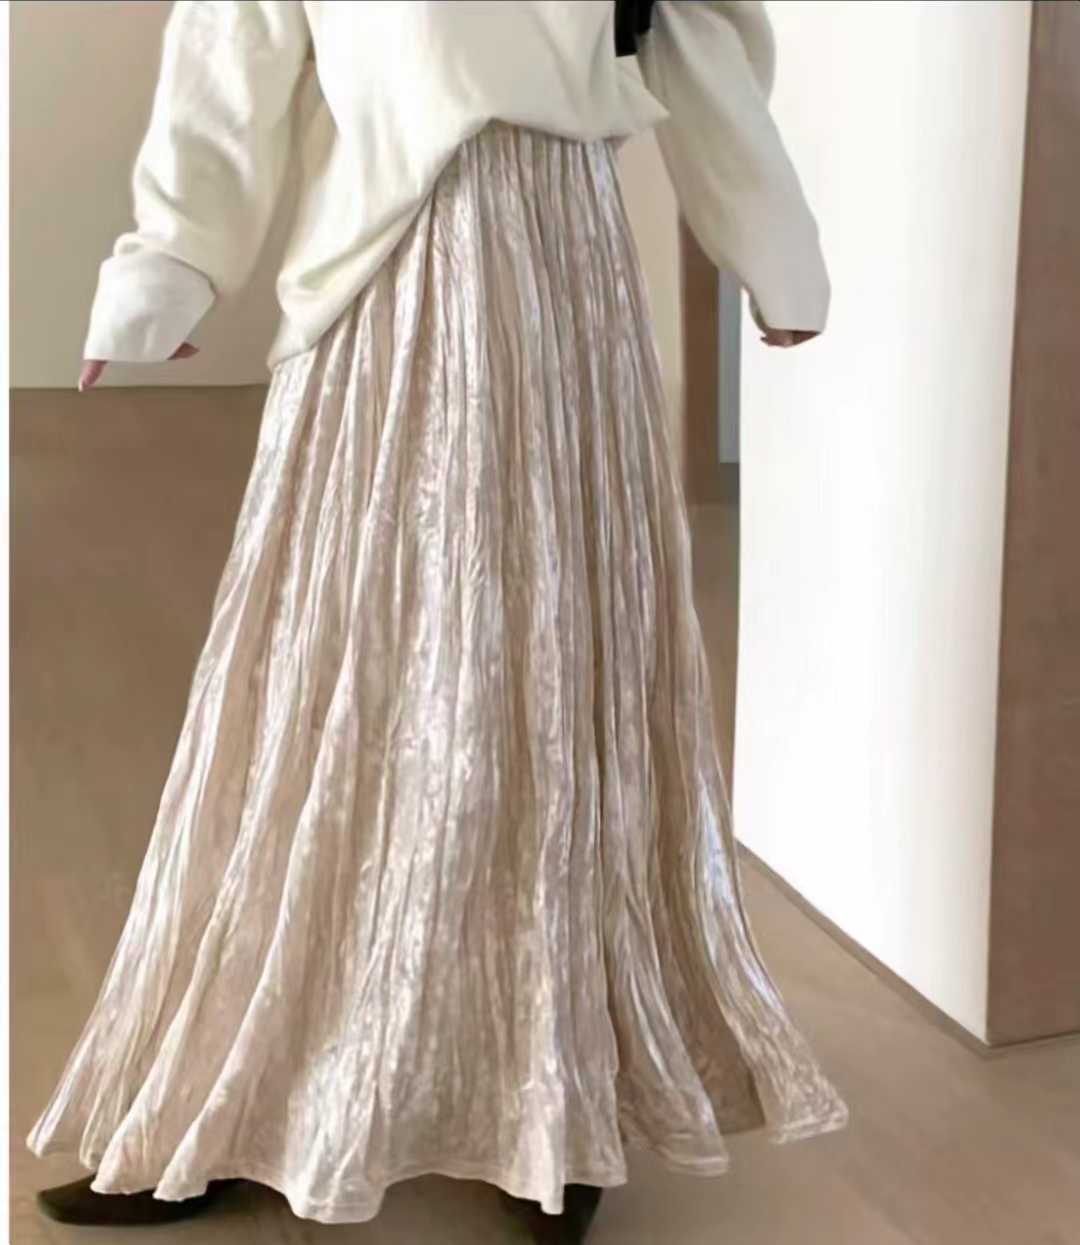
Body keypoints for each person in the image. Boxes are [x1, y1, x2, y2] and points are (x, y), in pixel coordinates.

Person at [25, 2, 848, 1241]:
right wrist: (171, 260)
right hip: (384, 280)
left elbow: (694, 39)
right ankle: (247, 1089)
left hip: (564, 287)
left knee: (542, 687)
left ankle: (546, 1106)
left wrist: (769, 243)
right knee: (332, 685)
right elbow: (233, 51)